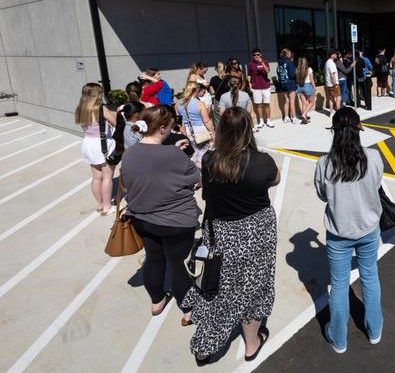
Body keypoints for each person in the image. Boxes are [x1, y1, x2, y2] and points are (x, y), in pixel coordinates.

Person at [183, 107, 280, 364]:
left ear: (222, 130)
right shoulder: (263, 162)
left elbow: (207, 192)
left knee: (220, 289)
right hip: (257, 233)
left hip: (223, 233)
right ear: (248, 128)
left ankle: (204, 346)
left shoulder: (209, 161)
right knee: (255, 287)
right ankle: (252, 343)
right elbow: (275, 180)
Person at [121, 105, 199, 325]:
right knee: (178, 264)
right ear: (163, 128)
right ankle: (188, 310)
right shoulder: (173, 154)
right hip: (174, 221)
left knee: (154, 260)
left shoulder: (129, 153)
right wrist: (177, 152)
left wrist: (172, 150)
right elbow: (195, 176)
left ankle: (157, 301)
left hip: (142, 219)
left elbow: (141, 173)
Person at [315, 107, 384, 353]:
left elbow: (323, 195)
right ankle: (374, 329)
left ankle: (339, 338)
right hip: (368, 229)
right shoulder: (374, 157)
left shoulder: (324, 164)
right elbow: (376, 186)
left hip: (338, 233)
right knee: (369, 277)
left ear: (334, 132)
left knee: (339, 285)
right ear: (358, 130)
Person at [75, 83, 119, 214]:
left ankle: (100, 203)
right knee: (107, 177)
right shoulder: (101, 108)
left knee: (96, 177)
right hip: (102, 144)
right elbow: (115, 122)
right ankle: (107, 206)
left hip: (88, 143)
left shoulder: (80, 109)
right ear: (96, 94)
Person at [176, 80, 215, 166]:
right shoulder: (200, 103)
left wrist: (183, 132)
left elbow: (179, 120)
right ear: (196, 90)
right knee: (203, 154)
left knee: (192, 153)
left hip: (187, 130)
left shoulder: (178, 103)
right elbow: (206, 121)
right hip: (200, 130)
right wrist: (213, 132)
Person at [247, 48, 273, 129]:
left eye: (258, 54)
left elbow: (267, 71)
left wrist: (261, 62)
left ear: (260, 55)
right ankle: (261, 121)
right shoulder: (250, 64)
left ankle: (268, 120)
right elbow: (249, 75)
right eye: (254, 55)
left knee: (267, 104)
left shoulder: (265, 62)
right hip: (256, 87)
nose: (256, 56)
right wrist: (249, 84)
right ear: (252, 56)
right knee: (258, 105)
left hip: (265, 86)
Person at [277, 48, 298, 123]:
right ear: (287, 54)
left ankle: (286, 117)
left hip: (283, 83)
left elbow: (278, 73)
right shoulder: (289, 62)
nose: (290, 54)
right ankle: (294, 118)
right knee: (292, 101)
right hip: (290, 83)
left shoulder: (279, 63)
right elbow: (292, 74)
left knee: (286, 101)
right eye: (289, 53)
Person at [295, 57, 316, 124]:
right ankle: (304, 114)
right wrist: (314, 88)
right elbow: (312, 80)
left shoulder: (297, 70)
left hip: (300, 87)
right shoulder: (309, 69)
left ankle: (304, 118)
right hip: (307, 86)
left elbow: (296, 79)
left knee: (304, 103)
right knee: (312, 102)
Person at [324, 49, 342, 116]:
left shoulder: (327, 62)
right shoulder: (331, 63)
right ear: (332, 55)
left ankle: (331, 112)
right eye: (335, 54)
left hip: (328, 84)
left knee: (331, 98)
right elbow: (333, 74)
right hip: (333, 84)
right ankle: (339, 113)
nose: (336, 55)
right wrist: (335, 84)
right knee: (338, 98)